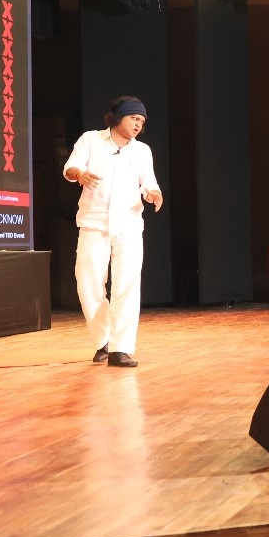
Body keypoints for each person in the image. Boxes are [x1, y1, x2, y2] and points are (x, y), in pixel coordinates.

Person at [64, 96, 164, 368]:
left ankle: (121, 349)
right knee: (88, 284)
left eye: (142, 121)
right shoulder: (91, 140)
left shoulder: (142, 151)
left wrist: (153, 193)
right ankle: (103, 342)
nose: (138, 125)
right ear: (118, 117)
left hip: (129, 225)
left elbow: (149, 182)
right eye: (134, 118)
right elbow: (70, 167)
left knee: (126, 287)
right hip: (93, 223)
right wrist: (80, 175)